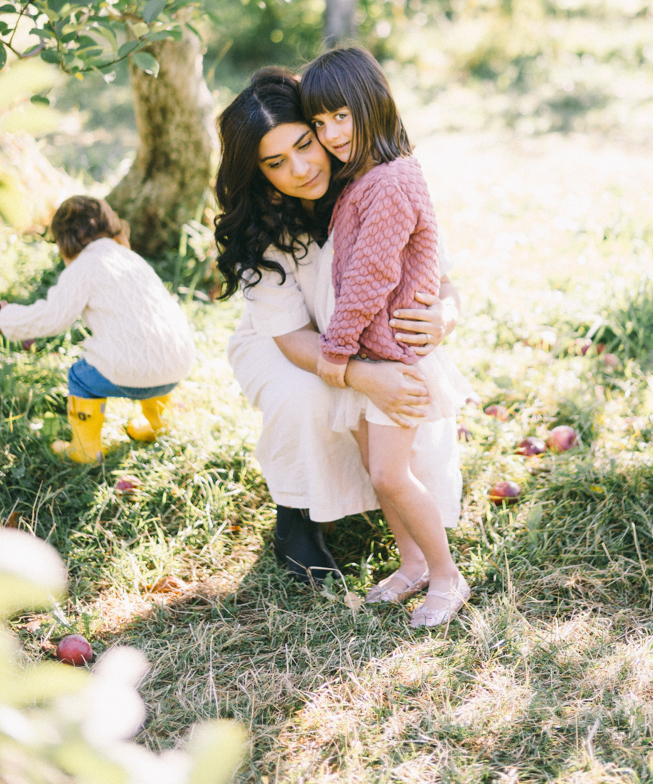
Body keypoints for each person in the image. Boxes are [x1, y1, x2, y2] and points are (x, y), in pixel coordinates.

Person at [214, 68, 463, 586]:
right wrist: (364, 376)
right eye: (276, 163)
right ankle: (298, 512)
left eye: (306, 143)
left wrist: (443, 317)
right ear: (258, 172)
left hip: (363, 337)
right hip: (288, 342)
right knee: (310, 396)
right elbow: (290, 337)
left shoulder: (376, 178)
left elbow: (440, 274)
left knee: (403, 415)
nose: (301, 169)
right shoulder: (264, 225)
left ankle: (393, 512)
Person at [300, 47, 473, 628]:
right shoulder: (364, 180)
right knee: (377, 463)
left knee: (389, 474)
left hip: (391, 354)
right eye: (320, 124)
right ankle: (412, 564)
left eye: (340, 116)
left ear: (372, 103)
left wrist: (335, 348)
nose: (330, 134)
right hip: (371, 351)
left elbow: (373, 273)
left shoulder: (393, 180)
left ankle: (448, 575)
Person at [0, 196, 195, 464]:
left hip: (134, 373)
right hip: (177, 364)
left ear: (64, 242)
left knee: (80, 376)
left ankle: (85, 449)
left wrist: (6, 317)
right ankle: (157, 424)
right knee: (149, 351)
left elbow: (52, 317)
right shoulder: (130, 259)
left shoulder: (85, 266)